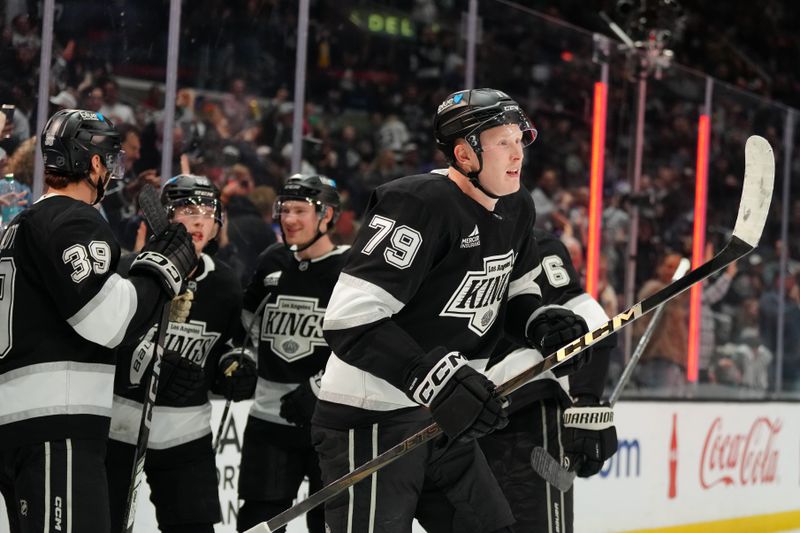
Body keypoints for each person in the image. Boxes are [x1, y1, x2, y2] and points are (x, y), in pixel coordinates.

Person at [313, 89, 590, 533]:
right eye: (503, 141)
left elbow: (513, 288)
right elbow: (351, 320)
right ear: (464, 153)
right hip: (370, 419)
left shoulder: (516, 205)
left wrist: (540, 323)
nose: (518, 152)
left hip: (445, 417)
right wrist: (436, 376)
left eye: (521, 139)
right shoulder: (418, 203)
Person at [0, 109, 196, 532]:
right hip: (55, 425)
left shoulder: (18, 226)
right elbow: (108, 322)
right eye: (109, 160)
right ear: (92, 163)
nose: (111, 172)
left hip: (21, 426)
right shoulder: (73, 219)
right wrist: (159, 270)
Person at [105, 174, 257, 533]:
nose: (200, 219)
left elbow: (231, 344)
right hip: (119, 432)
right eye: (188, 209)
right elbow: (99, 343)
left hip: (187, 436)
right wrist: (138, 365)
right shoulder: (130, 272)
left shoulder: (225, 283)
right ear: (164, 216)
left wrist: (235, 366)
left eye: (208, 210)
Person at [481, 228, 618, 533]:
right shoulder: (439, 231)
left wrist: (586, 402)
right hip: (454, 423)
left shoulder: (529, 242)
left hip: (525, 420)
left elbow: (587, 320)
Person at [237, 174, 349, 533]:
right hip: (269, 420)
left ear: (327, 215)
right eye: (284, 210)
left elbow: (365, 345)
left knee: (330, 522)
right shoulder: (272, 259)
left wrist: (320, 386)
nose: (289, 219)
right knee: (258, 520)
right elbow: (247, 324)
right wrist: (242, 359)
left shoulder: (349, 269)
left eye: (300, 210)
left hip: (330, 423)